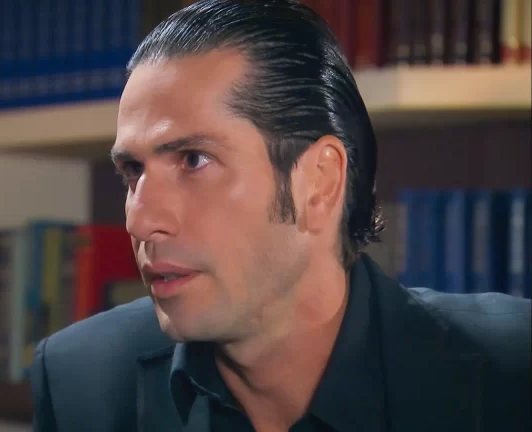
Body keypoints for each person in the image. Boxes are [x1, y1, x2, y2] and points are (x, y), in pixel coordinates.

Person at [29, 1, 532, 431]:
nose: (140, 223)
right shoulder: (80, 383)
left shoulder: (515, 371)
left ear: (319, 182)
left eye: (193, 160)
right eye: (133, 172)